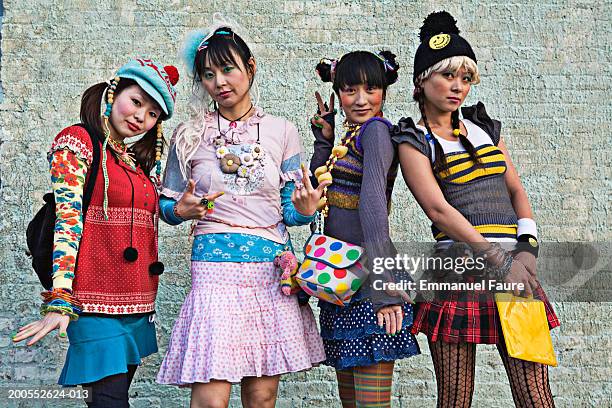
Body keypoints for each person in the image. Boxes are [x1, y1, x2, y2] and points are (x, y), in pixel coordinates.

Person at [391, 11, 559, 407]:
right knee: (455, 397)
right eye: (447, 76)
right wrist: (501, 260)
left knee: (535, 396)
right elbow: (438, 210)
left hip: (515, 268)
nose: (457, 87)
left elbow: (516, 191)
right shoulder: (413, 139)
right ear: (422, 80)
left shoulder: (484, 128)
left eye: (465, 78)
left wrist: (527, 250)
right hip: (458, 272)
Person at [155, 19, 326, 408]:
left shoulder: (282, 131)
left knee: (262, 397)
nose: (220, 82)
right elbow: (166, 206)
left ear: (250, 67)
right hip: (214, 271)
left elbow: (289, 209)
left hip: (269, 267)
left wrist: (302, 211)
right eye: (209, 74)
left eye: (228, 69)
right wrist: (179, 211)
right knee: (211, 397)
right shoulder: (189, 134)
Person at [13, 58, 179, 408]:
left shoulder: (133, 161)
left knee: (111, 400)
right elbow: (68, 219)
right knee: (109, 401)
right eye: (136, 102)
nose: (140, 118)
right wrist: (61, 299)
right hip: (92, 303)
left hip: (136, 302)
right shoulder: (78, 141)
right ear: (113, 92)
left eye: (151, 114)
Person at [308, 50, 420, 408]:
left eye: (371, 89)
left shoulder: (375, 131)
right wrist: (324, 138)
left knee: (371, 404)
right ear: (337, 92)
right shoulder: (351, 136)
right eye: (349, 89)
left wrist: (385, 288)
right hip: (342, 276)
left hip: (370, 281)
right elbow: (318, 185)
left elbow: (373, 205)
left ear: (384, 92)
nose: (360, 99)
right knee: (352, 403)